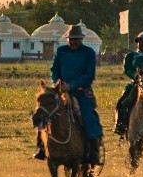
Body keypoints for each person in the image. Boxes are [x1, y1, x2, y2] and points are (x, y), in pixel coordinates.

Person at [35, 24, 103, 164]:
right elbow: (54, 69)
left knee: (88, 117)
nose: (74, 41)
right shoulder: (61, 51)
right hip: (61, 91)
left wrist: (71, 85)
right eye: (71, 39)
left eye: (76, 39)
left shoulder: (88, 52)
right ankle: (42, 147)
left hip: (80, 92)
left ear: (81, 39)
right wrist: (57, 82)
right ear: (68, 39)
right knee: (44, 113)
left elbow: (89, 75)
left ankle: (94, 151)